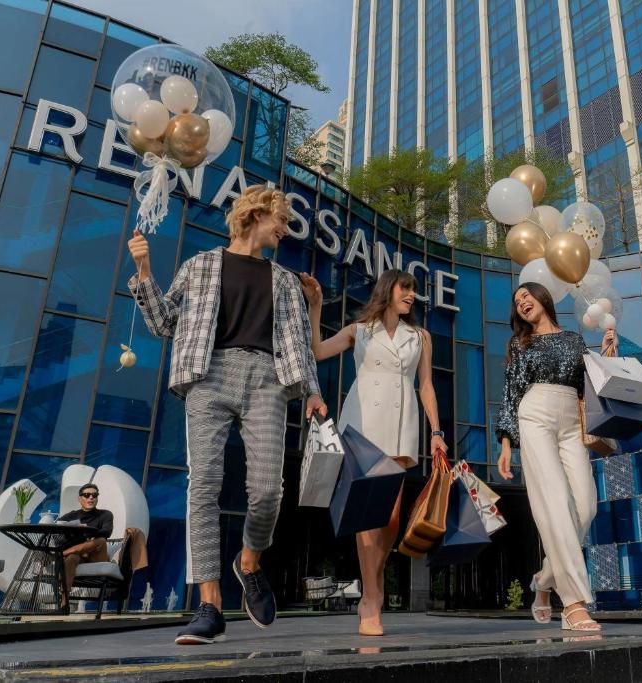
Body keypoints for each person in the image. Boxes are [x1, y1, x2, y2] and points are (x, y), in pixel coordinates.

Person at [128, 185, 327, 645]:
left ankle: (250, 562)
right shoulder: (199, 265)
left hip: (268, 381)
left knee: (266, 492)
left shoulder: (283, 280)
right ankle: (209, 605)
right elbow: (162, 323)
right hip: (208, 374)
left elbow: (298, 343)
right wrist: (143, 270)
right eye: (281, 220)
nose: (285, 229)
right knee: (204, 487)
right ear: (256, 215)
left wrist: (313, 392)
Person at [299, 268, 446, 636]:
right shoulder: (359, 330)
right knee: (366, 515)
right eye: (405, 288)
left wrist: (437, 432)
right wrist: (316, 306)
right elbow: (317, 351)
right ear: (387, 290)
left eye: (413, 290)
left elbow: (426, 387)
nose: (411, 295)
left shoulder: (421, 337)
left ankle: (372, 582)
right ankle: (371, 597)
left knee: (392, 517)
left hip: (402, 427)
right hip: (362, 425)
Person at [494, 282, 616, 632]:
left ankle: (543, 580)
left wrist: (605, 352)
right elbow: (511, 393)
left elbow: (588, 385)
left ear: (542, 298)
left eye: (526, 296)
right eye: (517, 302)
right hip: (535, 414)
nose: (522, 303)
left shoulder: (574, 339)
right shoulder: (520, 343)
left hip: (571, 418)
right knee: (555, 502)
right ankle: (574, 604)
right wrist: (506, 443)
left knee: (586, 506)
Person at [59, 483, 113, 594]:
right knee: (71, 559)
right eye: (87, 495)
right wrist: (73, 529)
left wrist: (87, 529)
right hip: (79, 556)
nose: (91, 497)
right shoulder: (72, 516)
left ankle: (62, 553)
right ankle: (65, 597)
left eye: (94, 495)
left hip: (96, 556)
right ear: (80, 498)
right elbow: (57, 527)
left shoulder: (105, 514)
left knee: (101, 540)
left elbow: (106, 532)